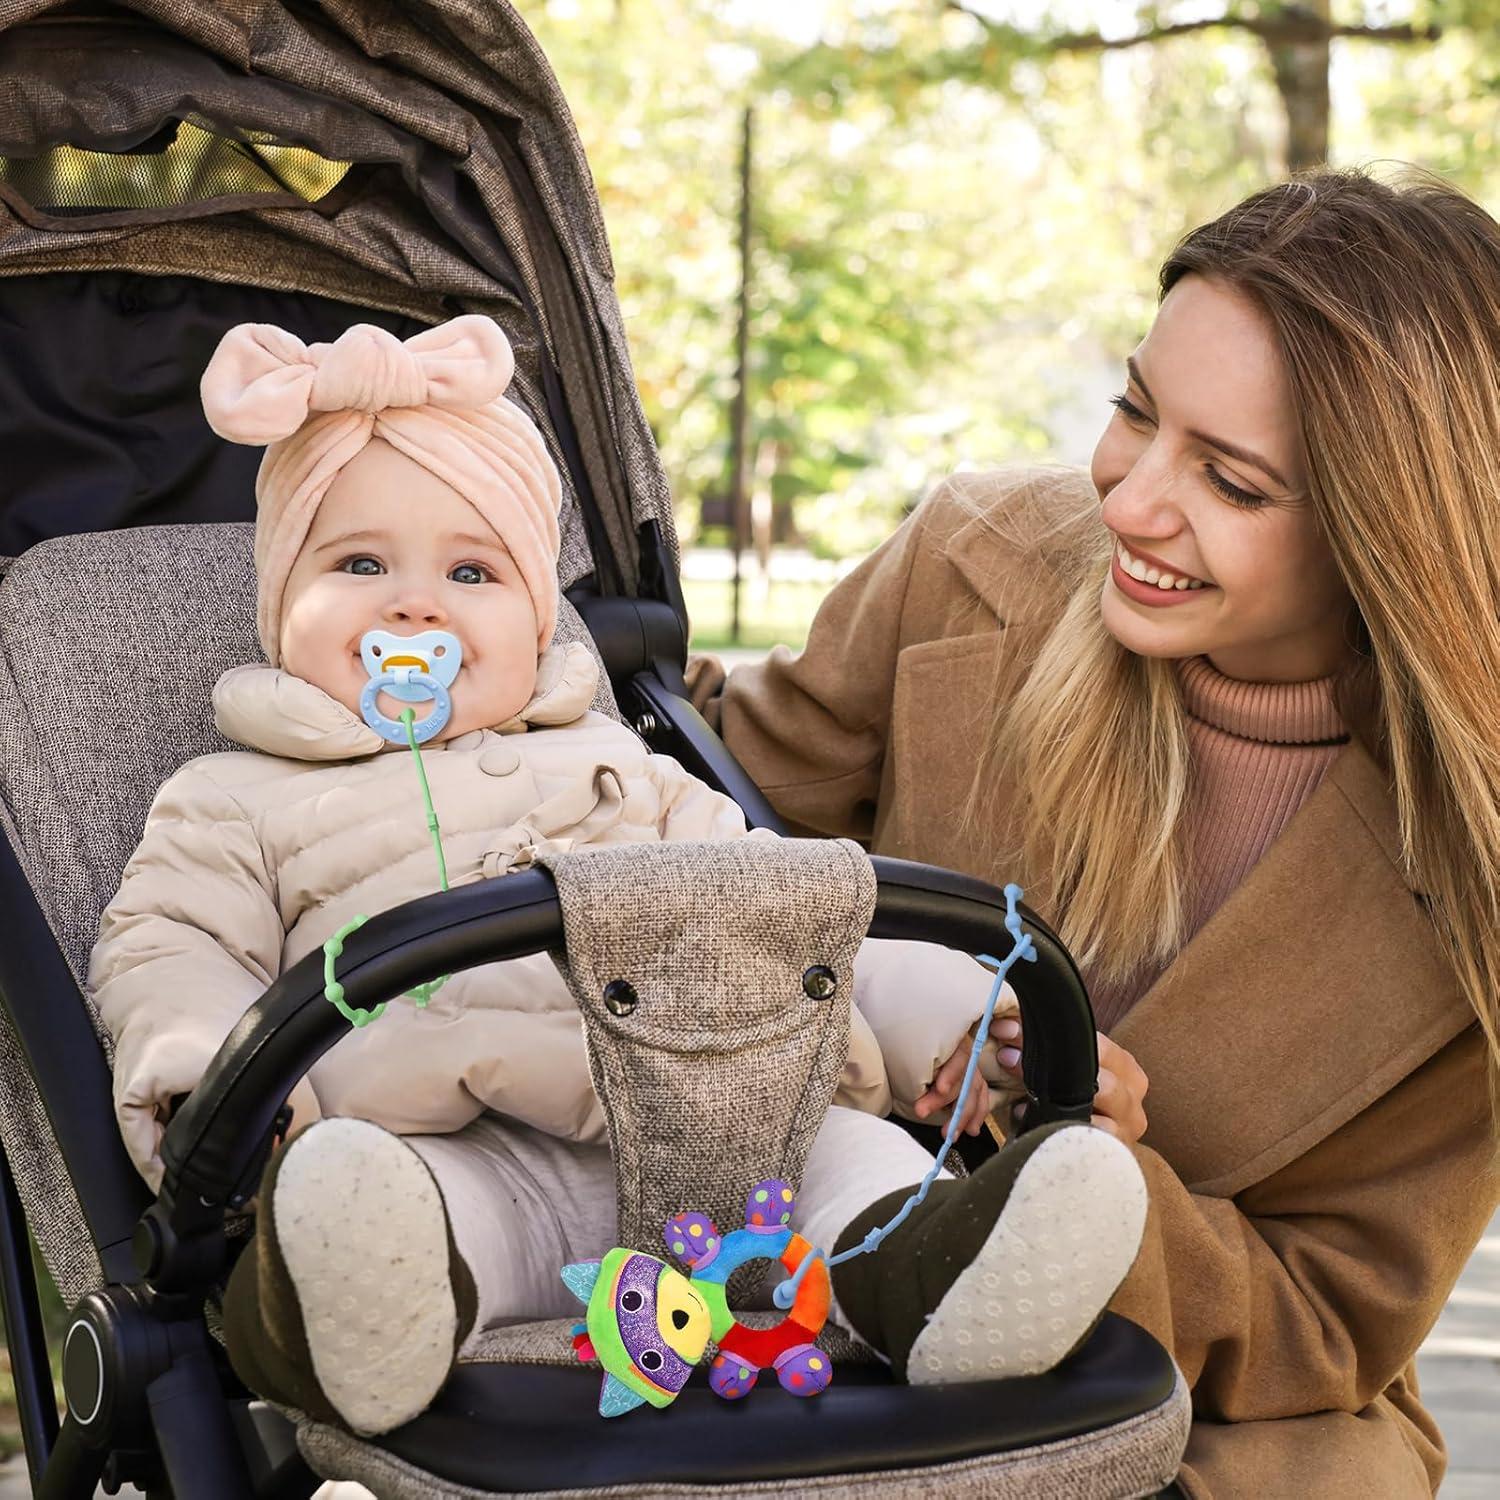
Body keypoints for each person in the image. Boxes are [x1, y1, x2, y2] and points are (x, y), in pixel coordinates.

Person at [87, 315, 1149, 1438]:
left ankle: (931, 1270)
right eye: (358, 565)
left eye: (470, 571)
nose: (414, 608)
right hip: (463, 1154)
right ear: (277, 605)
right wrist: (213, 1079)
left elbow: (793, 924)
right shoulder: (235, 797)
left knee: (854, 1154)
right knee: (385, 1208)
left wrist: (963, 1023)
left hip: (722, 1141)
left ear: (540, 614)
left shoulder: (623, 773)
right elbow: (171, 948)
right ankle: (358, 1310)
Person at [688, 166, 1500, 1498]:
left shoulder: (1466, 863)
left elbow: (1326, 1320)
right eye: (1136, 410)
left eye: (1229, 481)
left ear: (1385, 532)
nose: (1129, 501)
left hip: (1203, 1405)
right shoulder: (971, 561)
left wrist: (1087, 1182)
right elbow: (717, 809)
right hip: (796, 1267)